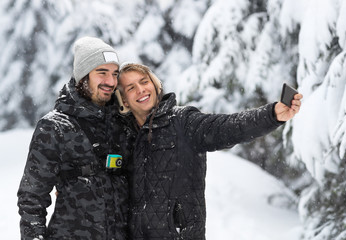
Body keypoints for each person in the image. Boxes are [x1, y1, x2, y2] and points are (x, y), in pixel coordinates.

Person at [116, 62, 303, 239]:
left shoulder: (182, 122)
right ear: (123, 98)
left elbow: (229, 127)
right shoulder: (124, 137)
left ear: (155, 85)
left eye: (144, 81)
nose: (141, 90)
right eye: (131, 87)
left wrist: (271, 115)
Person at [17, 37, 131, 239]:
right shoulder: (54, 126)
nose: (111, 82)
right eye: (102, 73)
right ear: (83, 76)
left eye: (115, 74)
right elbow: (32, 197)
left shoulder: (121, 122)